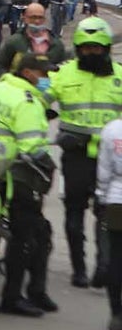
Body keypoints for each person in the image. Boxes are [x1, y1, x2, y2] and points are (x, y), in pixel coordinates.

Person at [0, 54, 57, 316]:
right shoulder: (28, 102)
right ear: (28, 73)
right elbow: (32, 147)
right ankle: (14, 297)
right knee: (29, 235)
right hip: (16, 174)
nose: (47, 80)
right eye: (43, 74)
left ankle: (36, 292)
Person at [49, 17, 122, 288]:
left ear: (106, 48)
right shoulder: (64, 74)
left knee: (107, 215)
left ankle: (103, 265)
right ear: (78, 48)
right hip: (76, 154)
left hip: (111, 159)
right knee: (74, 214)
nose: (91, 53)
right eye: (86, 48)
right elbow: (35, 97)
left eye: (97, 48)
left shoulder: (120, 76)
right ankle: (78, 268)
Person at [96, 114, 122, 330]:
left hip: (117, 199)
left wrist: (101, 196)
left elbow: (103, 169)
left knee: (116, 256)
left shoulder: (112, 130)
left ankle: (116, 313)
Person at [0, 2, 67, 74]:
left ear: (44, 19)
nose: (37, 21)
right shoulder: (14, 42)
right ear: (24, 18)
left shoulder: (57, 44)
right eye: (33, 17)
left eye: (40, 17)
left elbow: (64, 68)